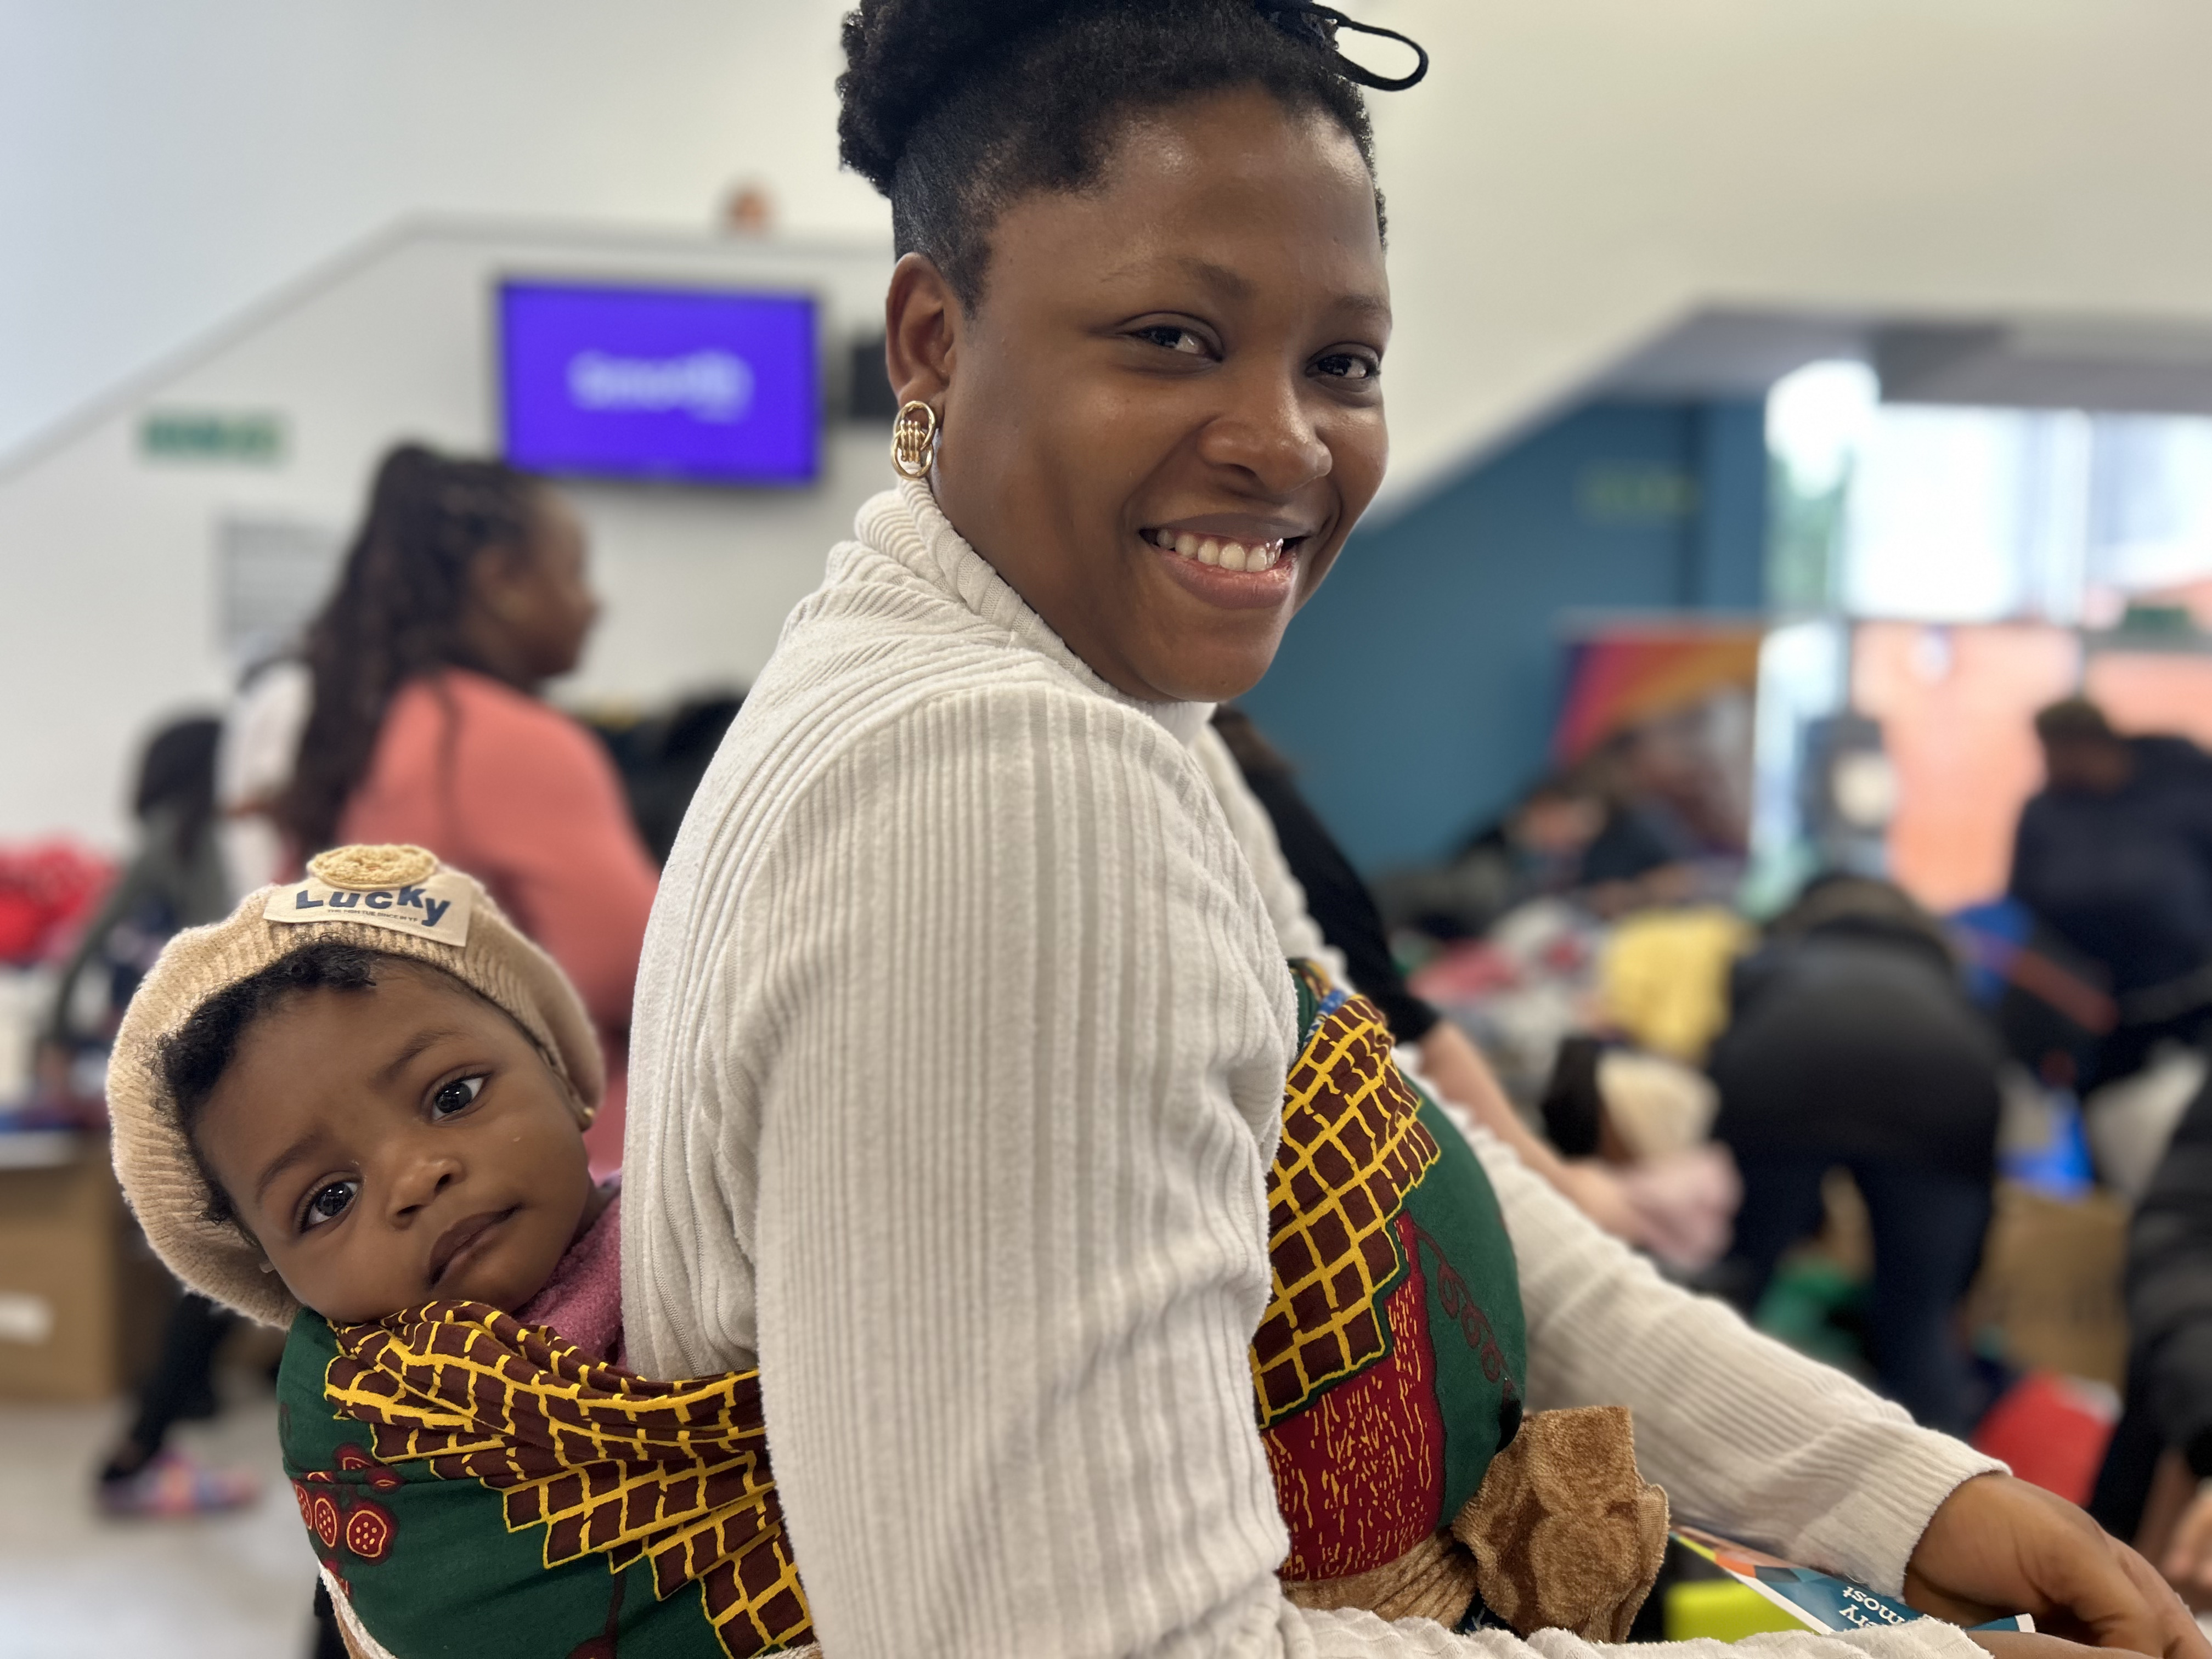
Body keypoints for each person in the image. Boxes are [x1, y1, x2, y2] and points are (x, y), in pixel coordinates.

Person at [625, 4, 2205, 1657]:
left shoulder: (1078, 712)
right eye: (1171, 336)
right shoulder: (998, 786)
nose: (1285, 439)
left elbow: (1417, 1182)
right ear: (933, 337)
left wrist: (1897, 1494)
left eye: (1345, 362)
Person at [103, 844, 804, 1657]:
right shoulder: (367, 1431)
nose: (413, 1178)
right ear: (280, 1276)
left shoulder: (718, 1219)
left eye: (453, 1095)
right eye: (328, 1200)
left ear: (559, 1074)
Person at [281, 443, 659, 1173]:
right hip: (568, 1177)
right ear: (503, 583)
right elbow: (632, 971)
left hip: (410, 1166)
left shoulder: (369, 733)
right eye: (575, 573)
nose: (594, 602)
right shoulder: (508, 741)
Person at [37, 714, 258, 1517]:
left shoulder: (178, 836)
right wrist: (57, 1033)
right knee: (226, 1258)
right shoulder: (182, 838)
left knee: (223, 1259)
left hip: (179, 1074)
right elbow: (204, 953)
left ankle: (161, 1427)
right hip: (189, 1078)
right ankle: (136, 1453)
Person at [1710, 876, 2007, 1437]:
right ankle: (1945, 1497)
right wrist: (1959, 1288)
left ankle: (1680, 1457)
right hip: (1944, 1097)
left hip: (1782, 1075)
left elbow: (1725, 1047)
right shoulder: (1948, 974)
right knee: (1917, 1323)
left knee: (1733, 1292)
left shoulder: (1784, 952)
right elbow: (1983, 1163)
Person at [2011, 698, 2212, 1086]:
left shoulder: (2184, 790)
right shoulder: (2045, 816)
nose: (2049, 766)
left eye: (2055, 752)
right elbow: (2023, 908)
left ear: (2088, 745)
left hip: (2193, 999)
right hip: (2094, 1015)